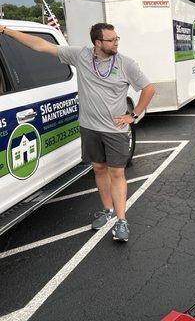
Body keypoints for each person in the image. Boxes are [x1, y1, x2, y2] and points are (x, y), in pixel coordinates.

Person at [0, 23, 155, 242]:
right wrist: (6, 31)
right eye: (111, 40)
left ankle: (121, 221)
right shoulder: (80, 55)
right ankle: (107, 210)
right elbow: (40, 45)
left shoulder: (125, 63)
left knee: (117, 173)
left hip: (114, 129)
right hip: (90, 127)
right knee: (99, 169)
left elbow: (149, 88)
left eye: (117, 38)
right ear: (97, 43)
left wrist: (134, 114)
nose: (116, 42)